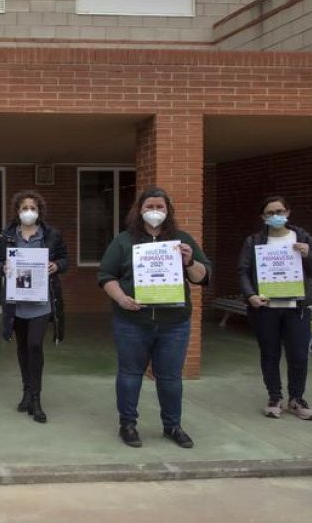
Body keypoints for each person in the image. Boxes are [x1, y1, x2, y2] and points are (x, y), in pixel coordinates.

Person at [97, 186, 210, 449]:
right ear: (139, 211)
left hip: (174, 324)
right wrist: (121, 299)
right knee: (130, 373)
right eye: (150, 207)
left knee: (170, 377)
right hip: (132, 322)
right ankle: (128, 424)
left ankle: (173, 425)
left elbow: (202, 276)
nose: (155, 212)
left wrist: (190, 261)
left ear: (168, 211)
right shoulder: (124, 241)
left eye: (160, 207)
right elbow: (105, 276)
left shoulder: (182, 240)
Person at [238, 195, 312, 421]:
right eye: (270, 213)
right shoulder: (254, 241)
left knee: (298, 354)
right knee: (270, 353)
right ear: (263, 217)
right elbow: (243, 271)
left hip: (298, 307)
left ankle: (296, 399)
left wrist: (307, 254)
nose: (275, 216)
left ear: (288, 212)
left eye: (279, 212)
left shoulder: (302, 237)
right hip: (265, 307)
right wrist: (250, 295)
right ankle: (274, 396)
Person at [0, 190, 69, 424]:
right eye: (24, 208)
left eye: (33, 208)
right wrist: (2, 269)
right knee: (23, 348)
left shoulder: (51, 235)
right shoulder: (7, 236)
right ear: (17, 211)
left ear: (39, 211)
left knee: (35, 346)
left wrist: (56, 266)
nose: (28, 212)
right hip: (16, 304)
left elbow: (65, 259)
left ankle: (36, 398)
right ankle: (26, 391)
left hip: (41, 302)